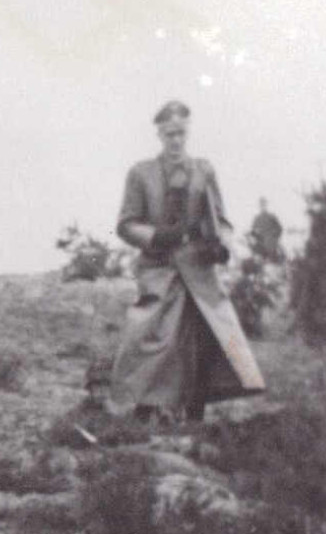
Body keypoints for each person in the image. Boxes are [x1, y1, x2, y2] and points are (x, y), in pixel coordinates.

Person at [111, 100, 265, 423]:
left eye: (181, 133)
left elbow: (221, 220)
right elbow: (126, 224)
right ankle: (142, 408)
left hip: (198, 269)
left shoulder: (203, 171)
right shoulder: (141, 174)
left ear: (188, 132)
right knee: (151, 334)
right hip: (159, 267)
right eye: (169, 134)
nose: (176, 140)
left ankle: (195, 413)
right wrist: (158, 236)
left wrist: (221, 244)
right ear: (159, 134)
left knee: (207, 337)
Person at [249, 196, 285, 265]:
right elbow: (253, 232)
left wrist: (274, 237)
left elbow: (279, 229)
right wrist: (255, 236)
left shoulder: (272, 216)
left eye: (264, 204)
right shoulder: (256, 219)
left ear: (266, 205)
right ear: (259, 206)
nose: (263, 206)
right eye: (261, 205)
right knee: (258, 260)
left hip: (272, 244)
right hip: (261, 245)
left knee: (277, 260)